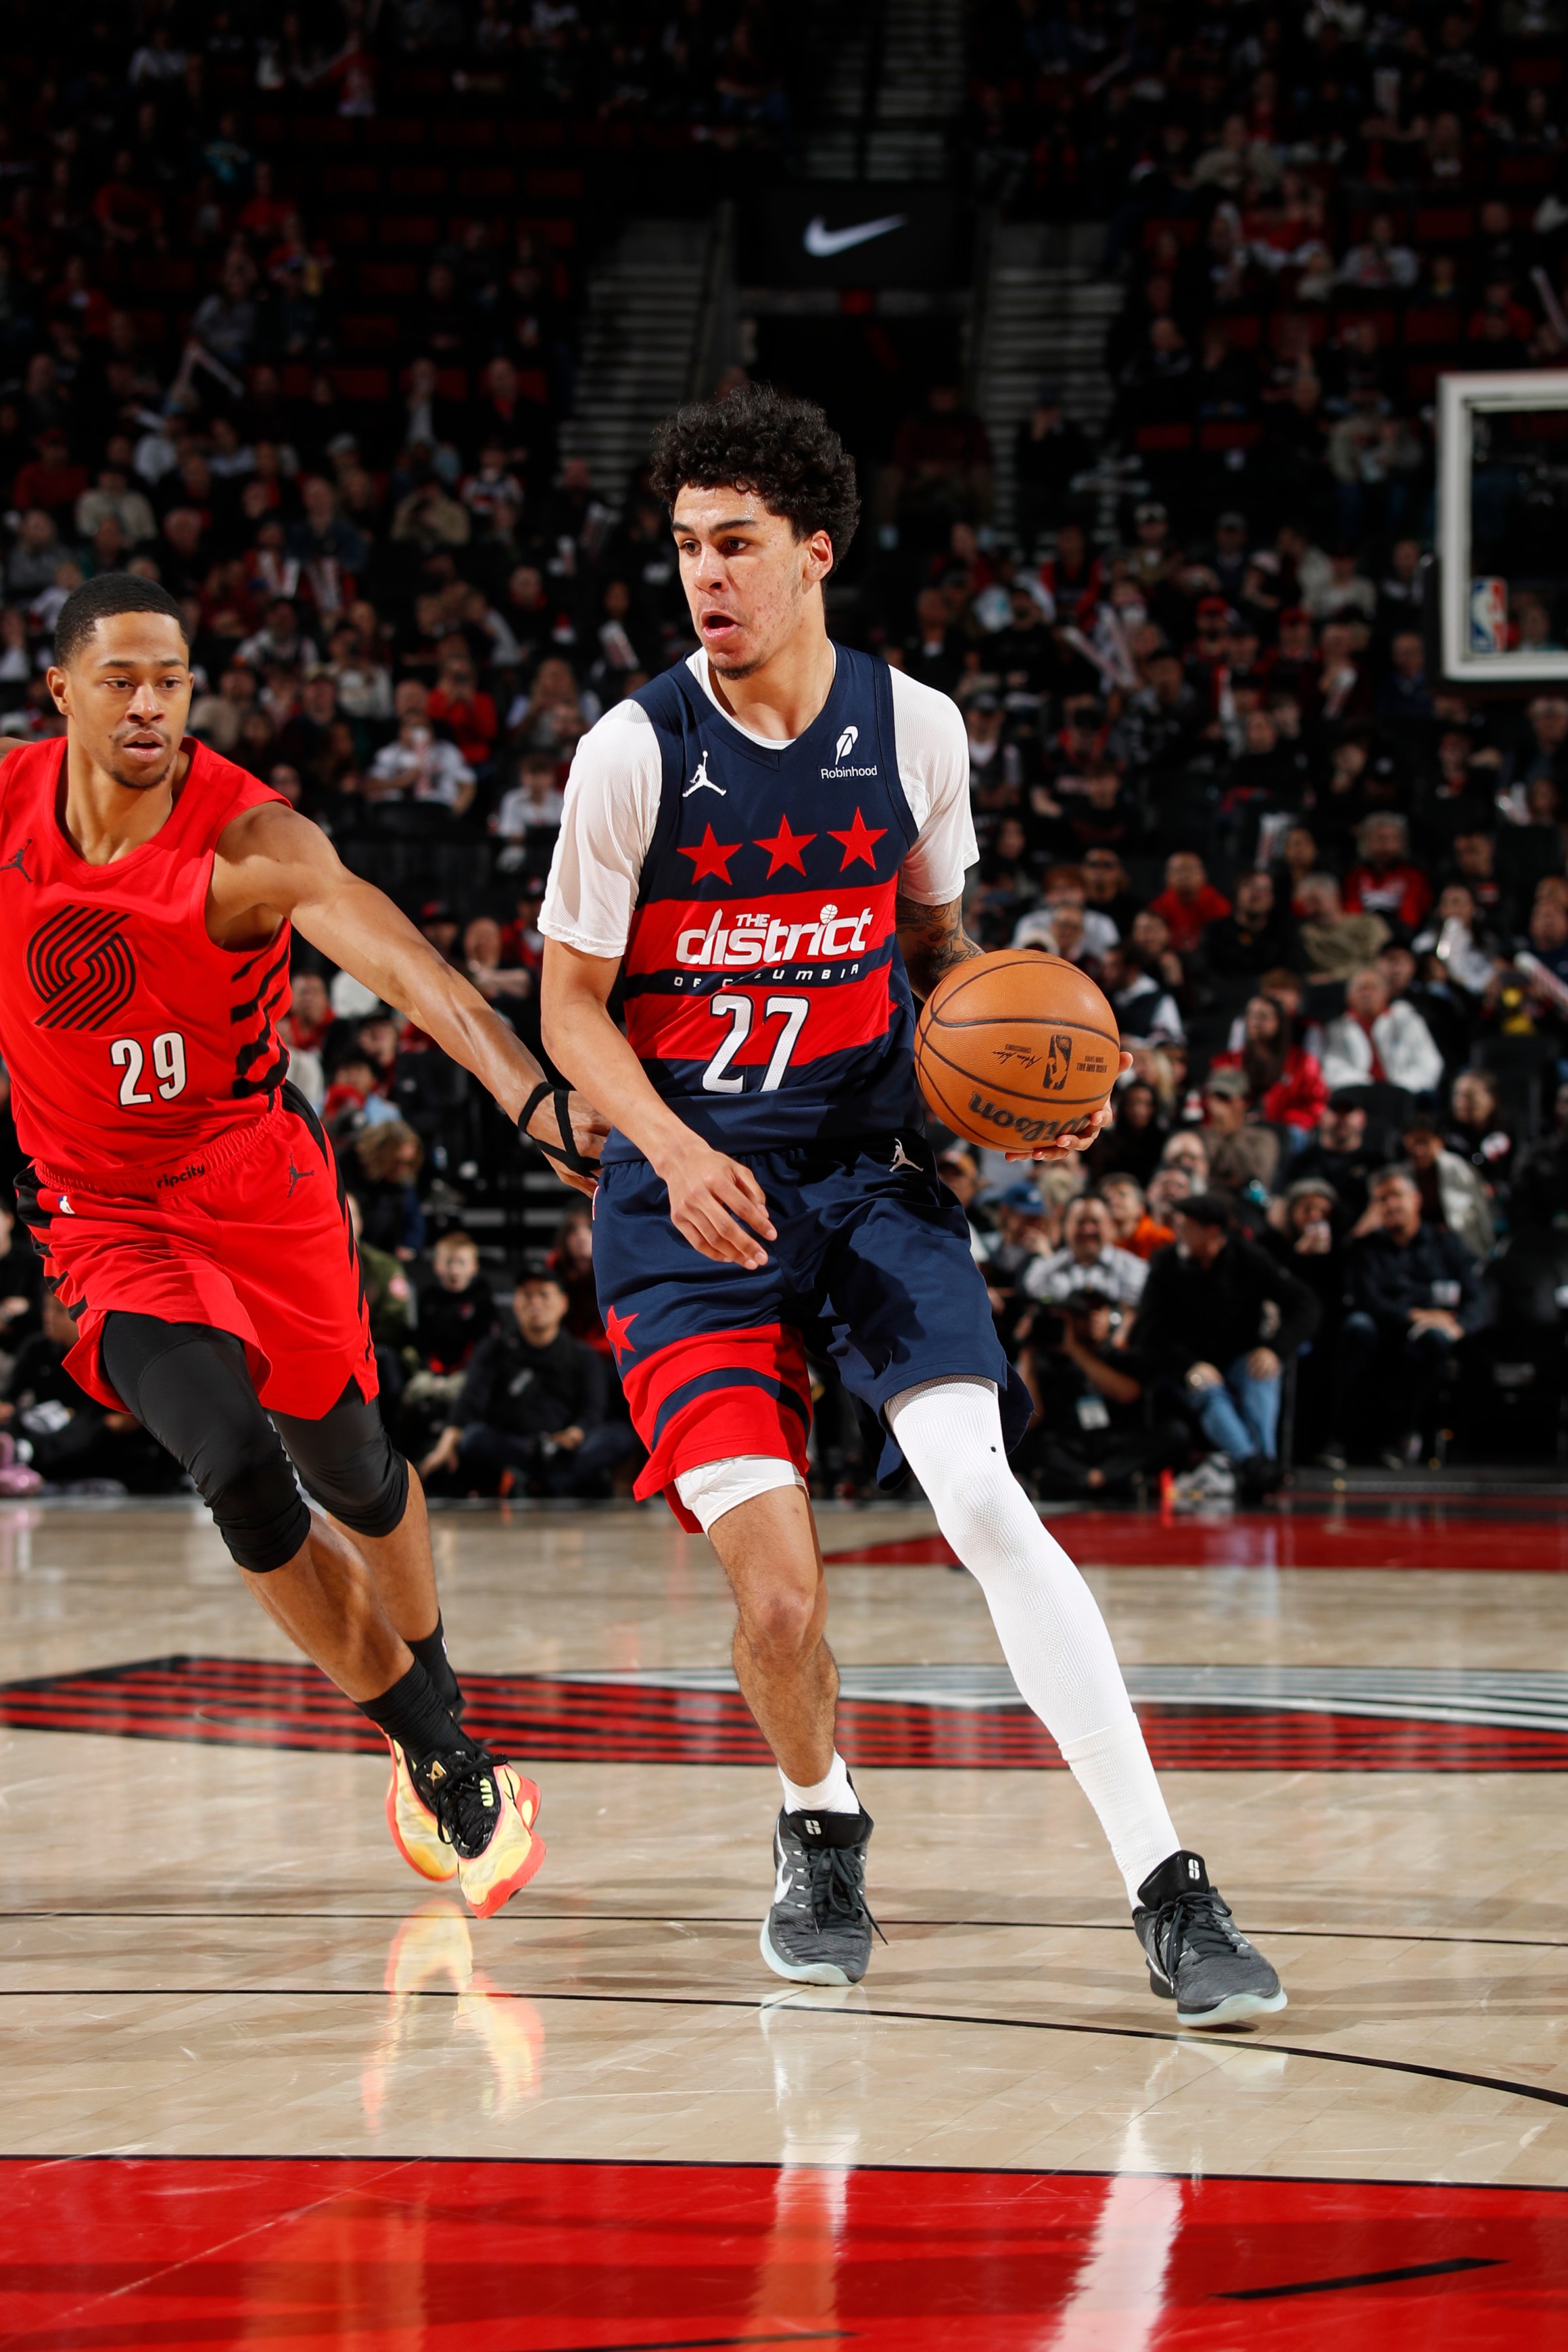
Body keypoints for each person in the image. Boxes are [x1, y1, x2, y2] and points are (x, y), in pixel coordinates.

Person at [540, 384, 1284, 2026]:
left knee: (983, 1501)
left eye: (734, 545)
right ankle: (821, 1821)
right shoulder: (629, 755)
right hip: (689, 1214)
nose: (703, 578)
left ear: (814, 554)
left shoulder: (917, 729)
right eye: (683, 548)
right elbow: (569, 1006)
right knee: (780, 1594)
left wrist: (1041, 1092)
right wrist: (667, 1147)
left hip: (869, 1180)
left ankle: (1165, 1881)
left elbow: (950, 973)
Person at [0, 574, 610, 1919]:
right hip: (107, 1220)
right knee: (234, 1466)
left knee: (356, 1468)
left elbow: (412, 974)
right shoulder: (5, 813)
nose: (150, 700)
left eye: (171, 677)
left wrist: (529, 1098)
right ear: (60, 693)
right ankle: (445, 1754)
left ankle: (430, 1677)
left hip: (257, 1189)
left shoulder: (249, 839)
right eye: (121, 678)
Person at [1133, 1191, 1318, 1503]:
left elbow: (1306, 1304)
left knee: (1261, 1374)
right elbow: (1147, 1334)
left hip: (1239, 1358)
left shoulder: (1250, 1258)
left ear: (1212, 1231)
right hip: (1187, 1365)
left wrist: (1275, 1348)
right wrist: (1188, 1366)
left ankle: (1263, 1461)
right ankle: (1253, 1464)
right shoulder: (1166, 1263)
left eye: (1185, 1226)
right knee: (1209, 1392)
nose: (1177, 1232)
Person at [419, 1260, 636, 1499]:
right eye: (527, 1295)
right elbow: (470, 1403)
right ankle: (561, 1482)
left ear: (563, 1303)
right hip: (516, 1446)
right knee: (473, 1438)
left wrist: (574, 1435)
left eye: (544, 1295)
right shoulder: (494, 1349)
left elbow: (594, 1410)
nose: (535, 1303)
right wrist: (446, 1444)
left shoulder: (583, 1355)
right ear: (515, 1303)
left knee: (620, 1435)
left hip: (567, 1446)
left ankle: (543, 1482)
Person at [1326, 1165, 1488, 1468]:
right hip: (1385, 1329)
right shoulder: (1366, 1248)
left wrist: (1460, 1325)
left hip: (1429, 1336)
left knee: (1435, 1341)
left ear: (1416, 1199)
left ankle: (1404, 1437)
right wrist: (1415, 1316)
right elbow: (1366, 1298)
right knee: (1357, 1328)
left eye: (1397, 1196)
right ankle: (1343, 1439)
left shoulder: (1445, 1243)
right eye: (1382, 1200)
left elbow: (1477, 1296)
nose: (1391, 1205)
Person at [1318, 965, 1445, 1098]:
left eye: (1373, 988)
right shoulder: (1336, 1029)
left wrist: (1396, 1088)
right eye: (1361, 988)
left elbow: (1430, 1064)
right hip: (1356, 1099)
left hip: (1404, 1097)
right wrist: (1370, 1087)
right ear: (1348, 996)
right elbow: (1331, 1068)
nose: (1367, 993)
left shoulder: (1408, 1021)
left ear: (1386, 994)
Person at [1021, 1192, 1149, 1310]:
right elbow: (1035, 1296)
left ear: (1110, 1225)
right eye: (1080, 1222)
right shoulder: (1043, 1270)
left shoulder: (1134, 1269)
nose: (1088, 1230)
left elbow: (1133, 1312)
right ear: (1064, 1226)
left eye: (1095, 1222)